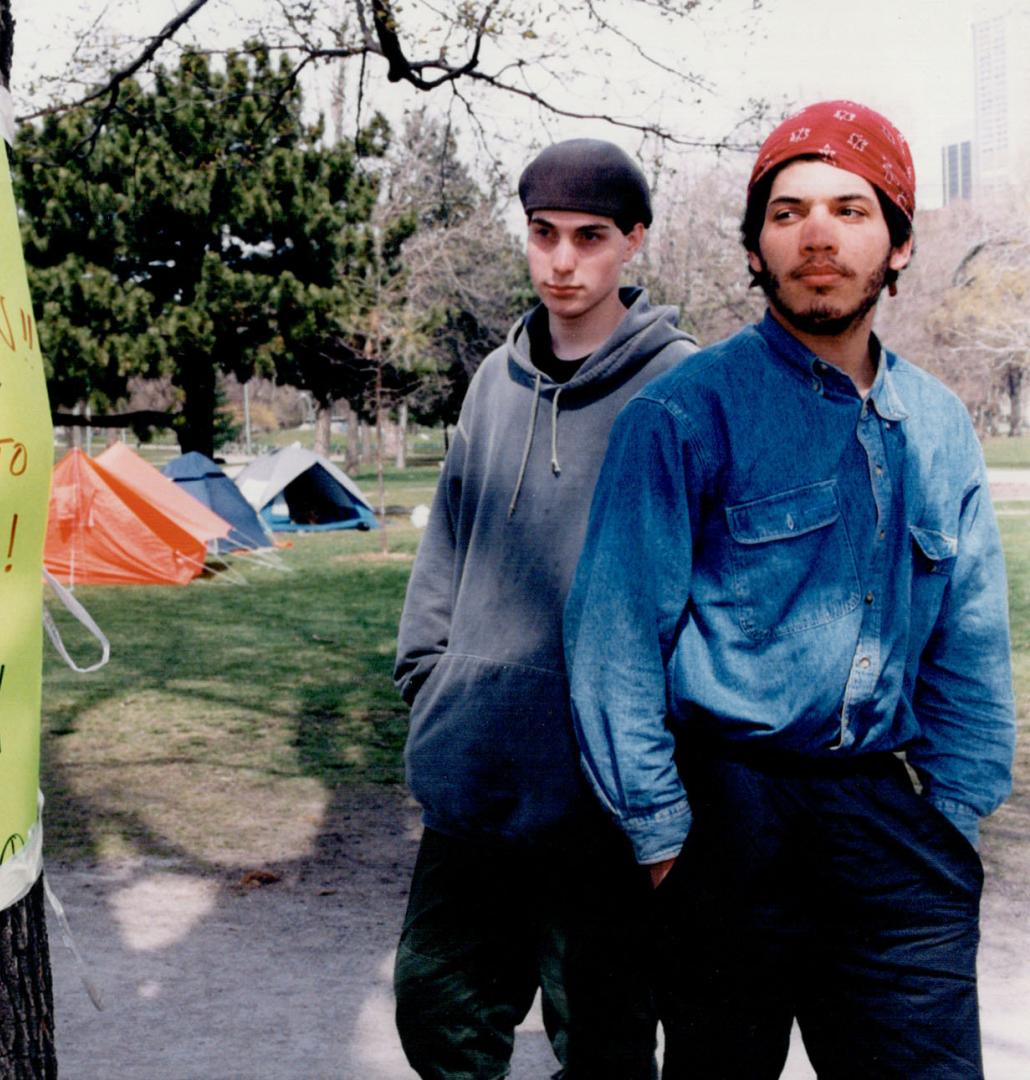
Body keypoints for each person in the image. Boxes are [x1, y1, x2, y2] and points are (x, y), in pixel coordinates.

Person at [565, 100, 1014, 1080]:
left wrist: (954, 808)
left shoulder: (940, 429)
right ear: (756, 248)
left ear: (898, 245)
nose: (816, 234)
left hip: (894, 829)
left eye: (852, 211)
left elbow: (972, 644)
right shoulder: (684, 416)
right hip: (725, 825)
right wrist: (660, 837)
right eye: (787, 211)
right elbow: (610, 644)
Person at [392, 138, 695, 1080]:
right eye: (543, 234)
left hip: (601, 792)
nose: (564, 261)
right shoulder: (493, 379)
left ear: (632, 242)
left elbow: (707, 587)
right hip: (476, 768)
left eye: (590, 237)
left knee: (604, 1043)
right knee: (438, 1014)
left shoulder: (681, 387)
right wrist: (431, 677)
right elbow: (448, 538)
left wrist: (658, 761)